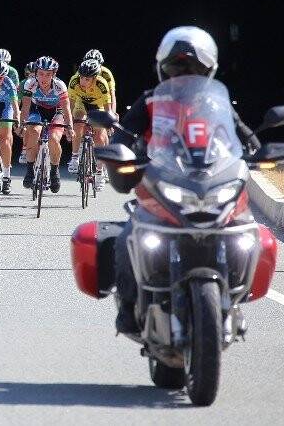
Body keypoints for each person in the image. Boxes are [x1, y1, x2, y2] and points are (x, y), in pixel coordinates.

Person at [111, 26, 261, 334]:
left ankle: (236, 294)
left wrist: (260, 152)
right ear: (163, 69)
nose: (185, 72)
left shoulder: (217, 105)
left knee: (245, 230)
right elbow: (122, 136)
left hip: (210, 181)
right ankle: (127, 307)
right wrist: (121, 154)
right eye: (177, 66)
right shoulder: (151, 101)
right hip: (161, 186)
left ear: (208, 70)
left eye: (193, 67)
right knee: (130, 234)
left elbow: (246, 140)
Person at [19, 56, 73, 193]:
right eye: (41, 74)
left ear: (54, 75)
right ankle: (30, 170)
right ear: (36, 73)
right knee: (34, 132)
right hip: (37, 110)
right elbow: (25, 107)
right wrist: (21, 124)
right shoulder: (30, 84)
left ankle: (54, 172)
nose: (44, 78)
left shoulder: (59, 85)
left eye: (48, 74)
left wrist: (70, 127)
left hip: (57, 112)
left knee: (54, 139)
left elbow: (66, 108)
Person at [67, 58, 113, 175]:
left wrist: (108, 123)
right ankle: (74, 158)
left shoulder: (102, 84)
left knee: (99, 135)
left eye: (87, 79)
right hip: (81, 103)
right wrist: (69, 123)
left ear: (95, 78)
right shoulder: (74, 81)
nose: (83, 81)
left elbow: (108, 107)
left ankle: (99, 171)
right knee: (77, 123)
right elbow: (70, 103)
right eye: (81, 77)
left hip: (97, 105)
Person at [0, 58, 21, 194]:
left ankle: (6, 175)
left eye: (0, 78)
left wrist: (17, 118)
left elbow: (14, 104)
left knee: (5, 139)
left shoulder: (9, 83)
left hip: (5, 107)